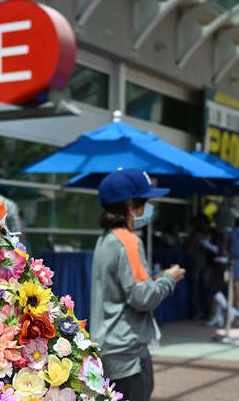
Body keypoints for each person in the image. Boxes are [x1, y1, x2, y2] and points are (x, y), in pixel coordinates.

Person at [90, 168, 185, 401]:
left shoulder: (106, 239)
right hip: (128, 355)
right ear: (131, 205)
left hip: (108, 349)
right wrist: (168, 279)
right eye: (146, 201)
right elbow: (142, 298)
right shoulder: (129, 241)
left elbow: (125, 289)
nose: (148, 209)